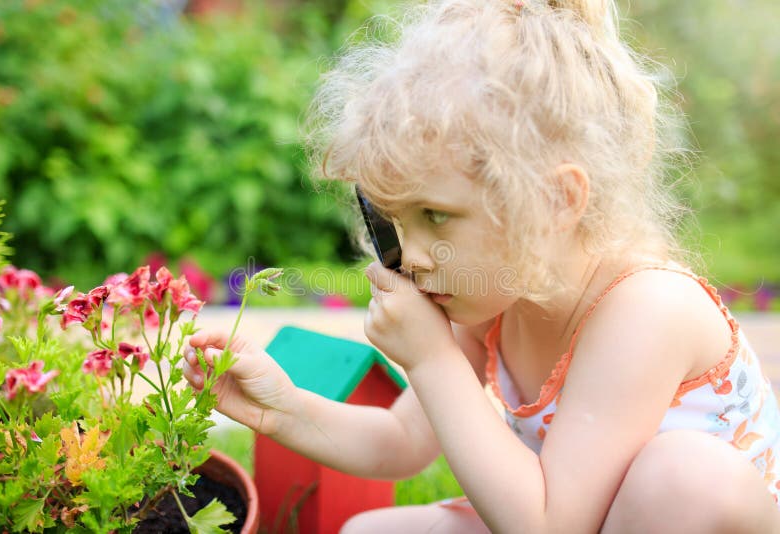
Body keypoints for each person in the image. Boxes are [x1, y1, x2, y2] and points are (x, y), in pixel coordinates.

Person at [183, 0, 780, 531]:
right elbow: (399, 442)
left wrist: (434, 358)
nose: (411, 256)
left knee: (684, 475)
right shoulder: (496, 294)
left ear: (555, 201)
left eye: (437, 216)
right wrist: (279, 409)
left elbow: (551, 523)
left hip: (622, 516)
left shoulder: (648, 309)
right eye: (396, 220)